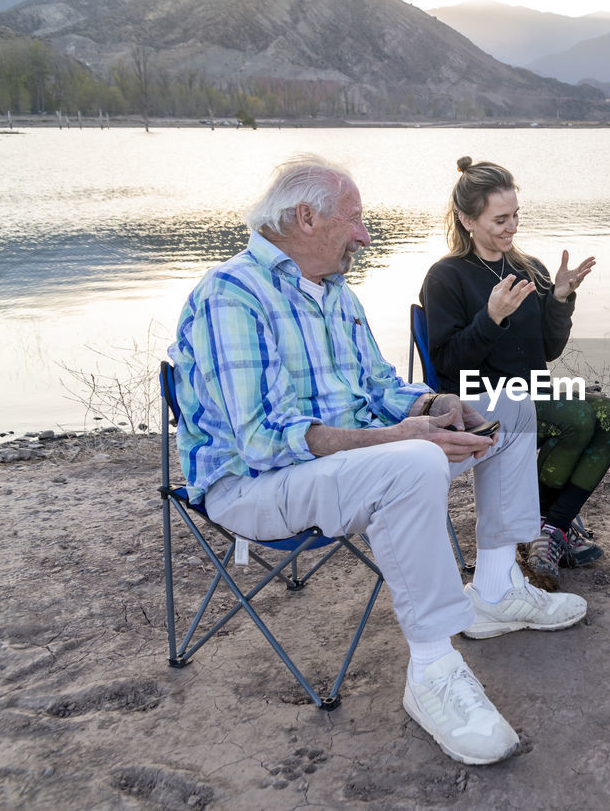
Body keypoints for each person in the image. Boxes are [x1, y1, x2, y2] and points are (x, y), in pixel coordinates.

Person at [168, 154, 586, 766]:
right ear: (306, 218)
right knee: (413, 460)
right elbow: (260, 441)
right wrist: (402, 438)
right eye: (355, 219)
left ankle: (496, 588)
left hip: (353, 471)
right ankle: (434, 672)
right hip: (255, 487)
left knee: (511, 408)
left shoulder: (338, 295)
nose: (365, 235)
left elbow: (382, 387)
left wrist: (441, 404)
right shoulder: (232, 296)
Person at [420, 157, 610, 590]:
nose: (512, 227)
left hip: (531, 388)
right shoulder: (446, 277)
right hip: (480, 397)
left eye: (515, 216)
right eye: (500, 219)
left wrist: (561, 301)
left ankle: (549, 530)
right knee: (579, 420)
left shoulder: (530, 268)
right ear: (466, 219)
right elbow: (446, 365)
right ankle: (540, 530)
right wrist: (489, 318)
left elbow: (548, 351)